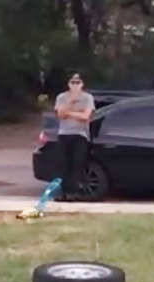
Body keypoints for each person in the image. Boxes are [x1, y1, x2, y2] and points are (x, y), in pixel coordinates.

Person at [54, 72, 95, 201]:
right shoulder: (62, 97)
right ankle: (63, 192)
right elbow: (60, 115)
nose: (75, 85)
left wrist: (69, 113)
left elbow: (86, 117)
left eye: (78, 82)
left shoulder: (87, 98)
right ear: (69, 84)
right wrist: (71, 101)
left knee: (77, 163)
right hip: (64, 133)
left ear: (82, 84)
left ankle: (74, 192)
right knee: (63, 164)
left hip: (80, 134)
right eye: (73, 82)